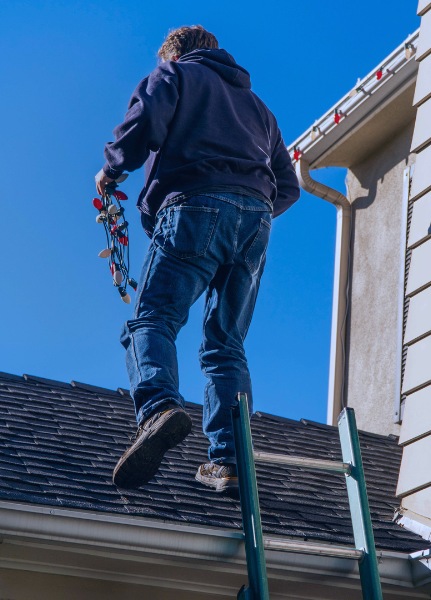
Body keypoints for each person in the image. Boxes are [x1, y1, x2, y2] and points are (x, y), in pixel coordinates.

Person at [95, 25, 300, 492]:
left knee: (151, 320)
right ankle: (228, 461)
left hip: (194, 205)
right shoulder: (260, 110)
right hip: (255, 222)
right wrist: (247, 209)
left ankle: (158, 409)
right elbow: (288, 187)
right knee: (225, 345)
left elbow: (145, 117)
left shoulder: (176, 76)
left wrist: (111, 170)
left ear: (177, 53)